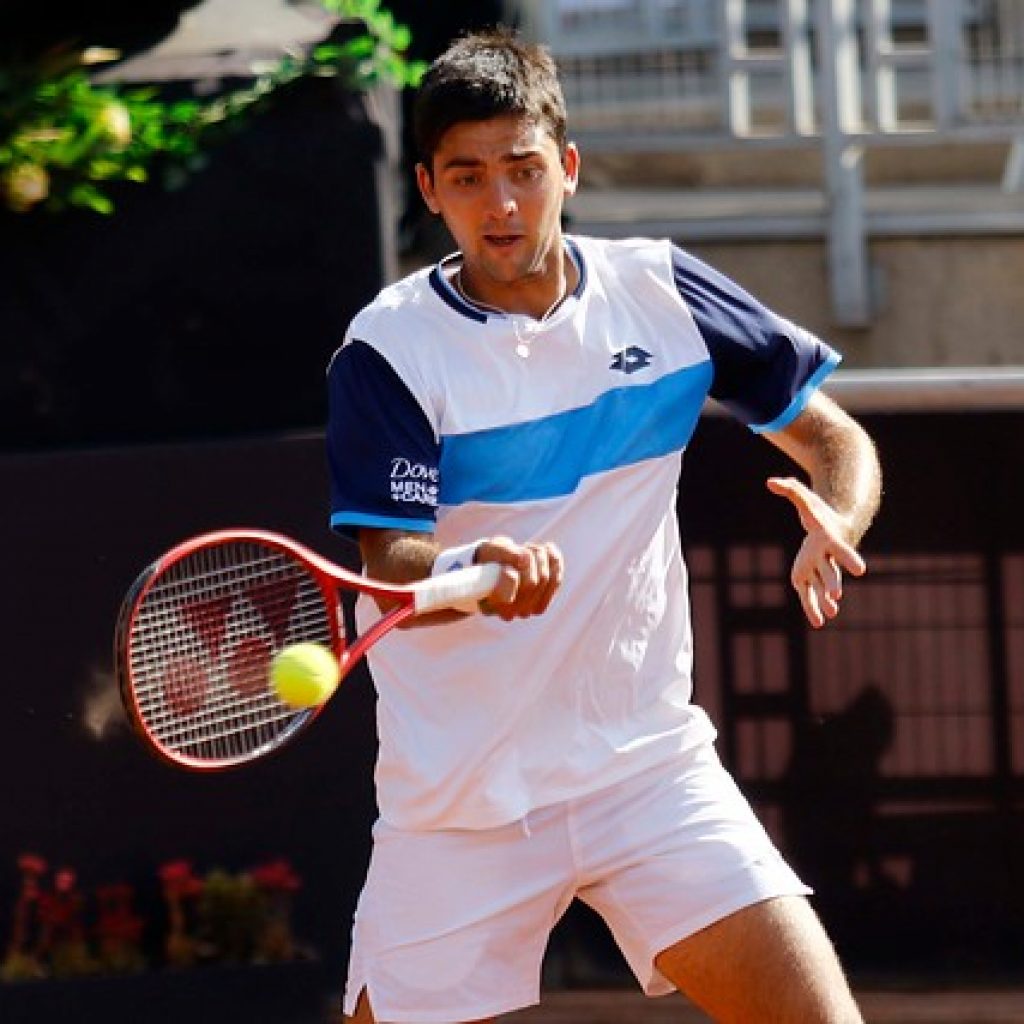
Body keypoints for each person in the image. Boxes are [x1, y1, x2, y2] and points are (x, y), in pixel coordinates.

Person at [326, 27, 881, 1024]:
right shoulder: (388, 350)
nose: (501, 204)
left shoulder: (660, 290)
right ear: (429, 188)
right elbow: (393, 573)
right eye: (468, 176)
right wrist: (473, 568)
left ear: (567, 168)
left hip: (646, 772)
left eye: (523, 170)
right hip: (460, 807)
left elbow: (836, 440)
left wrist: (834, 514)